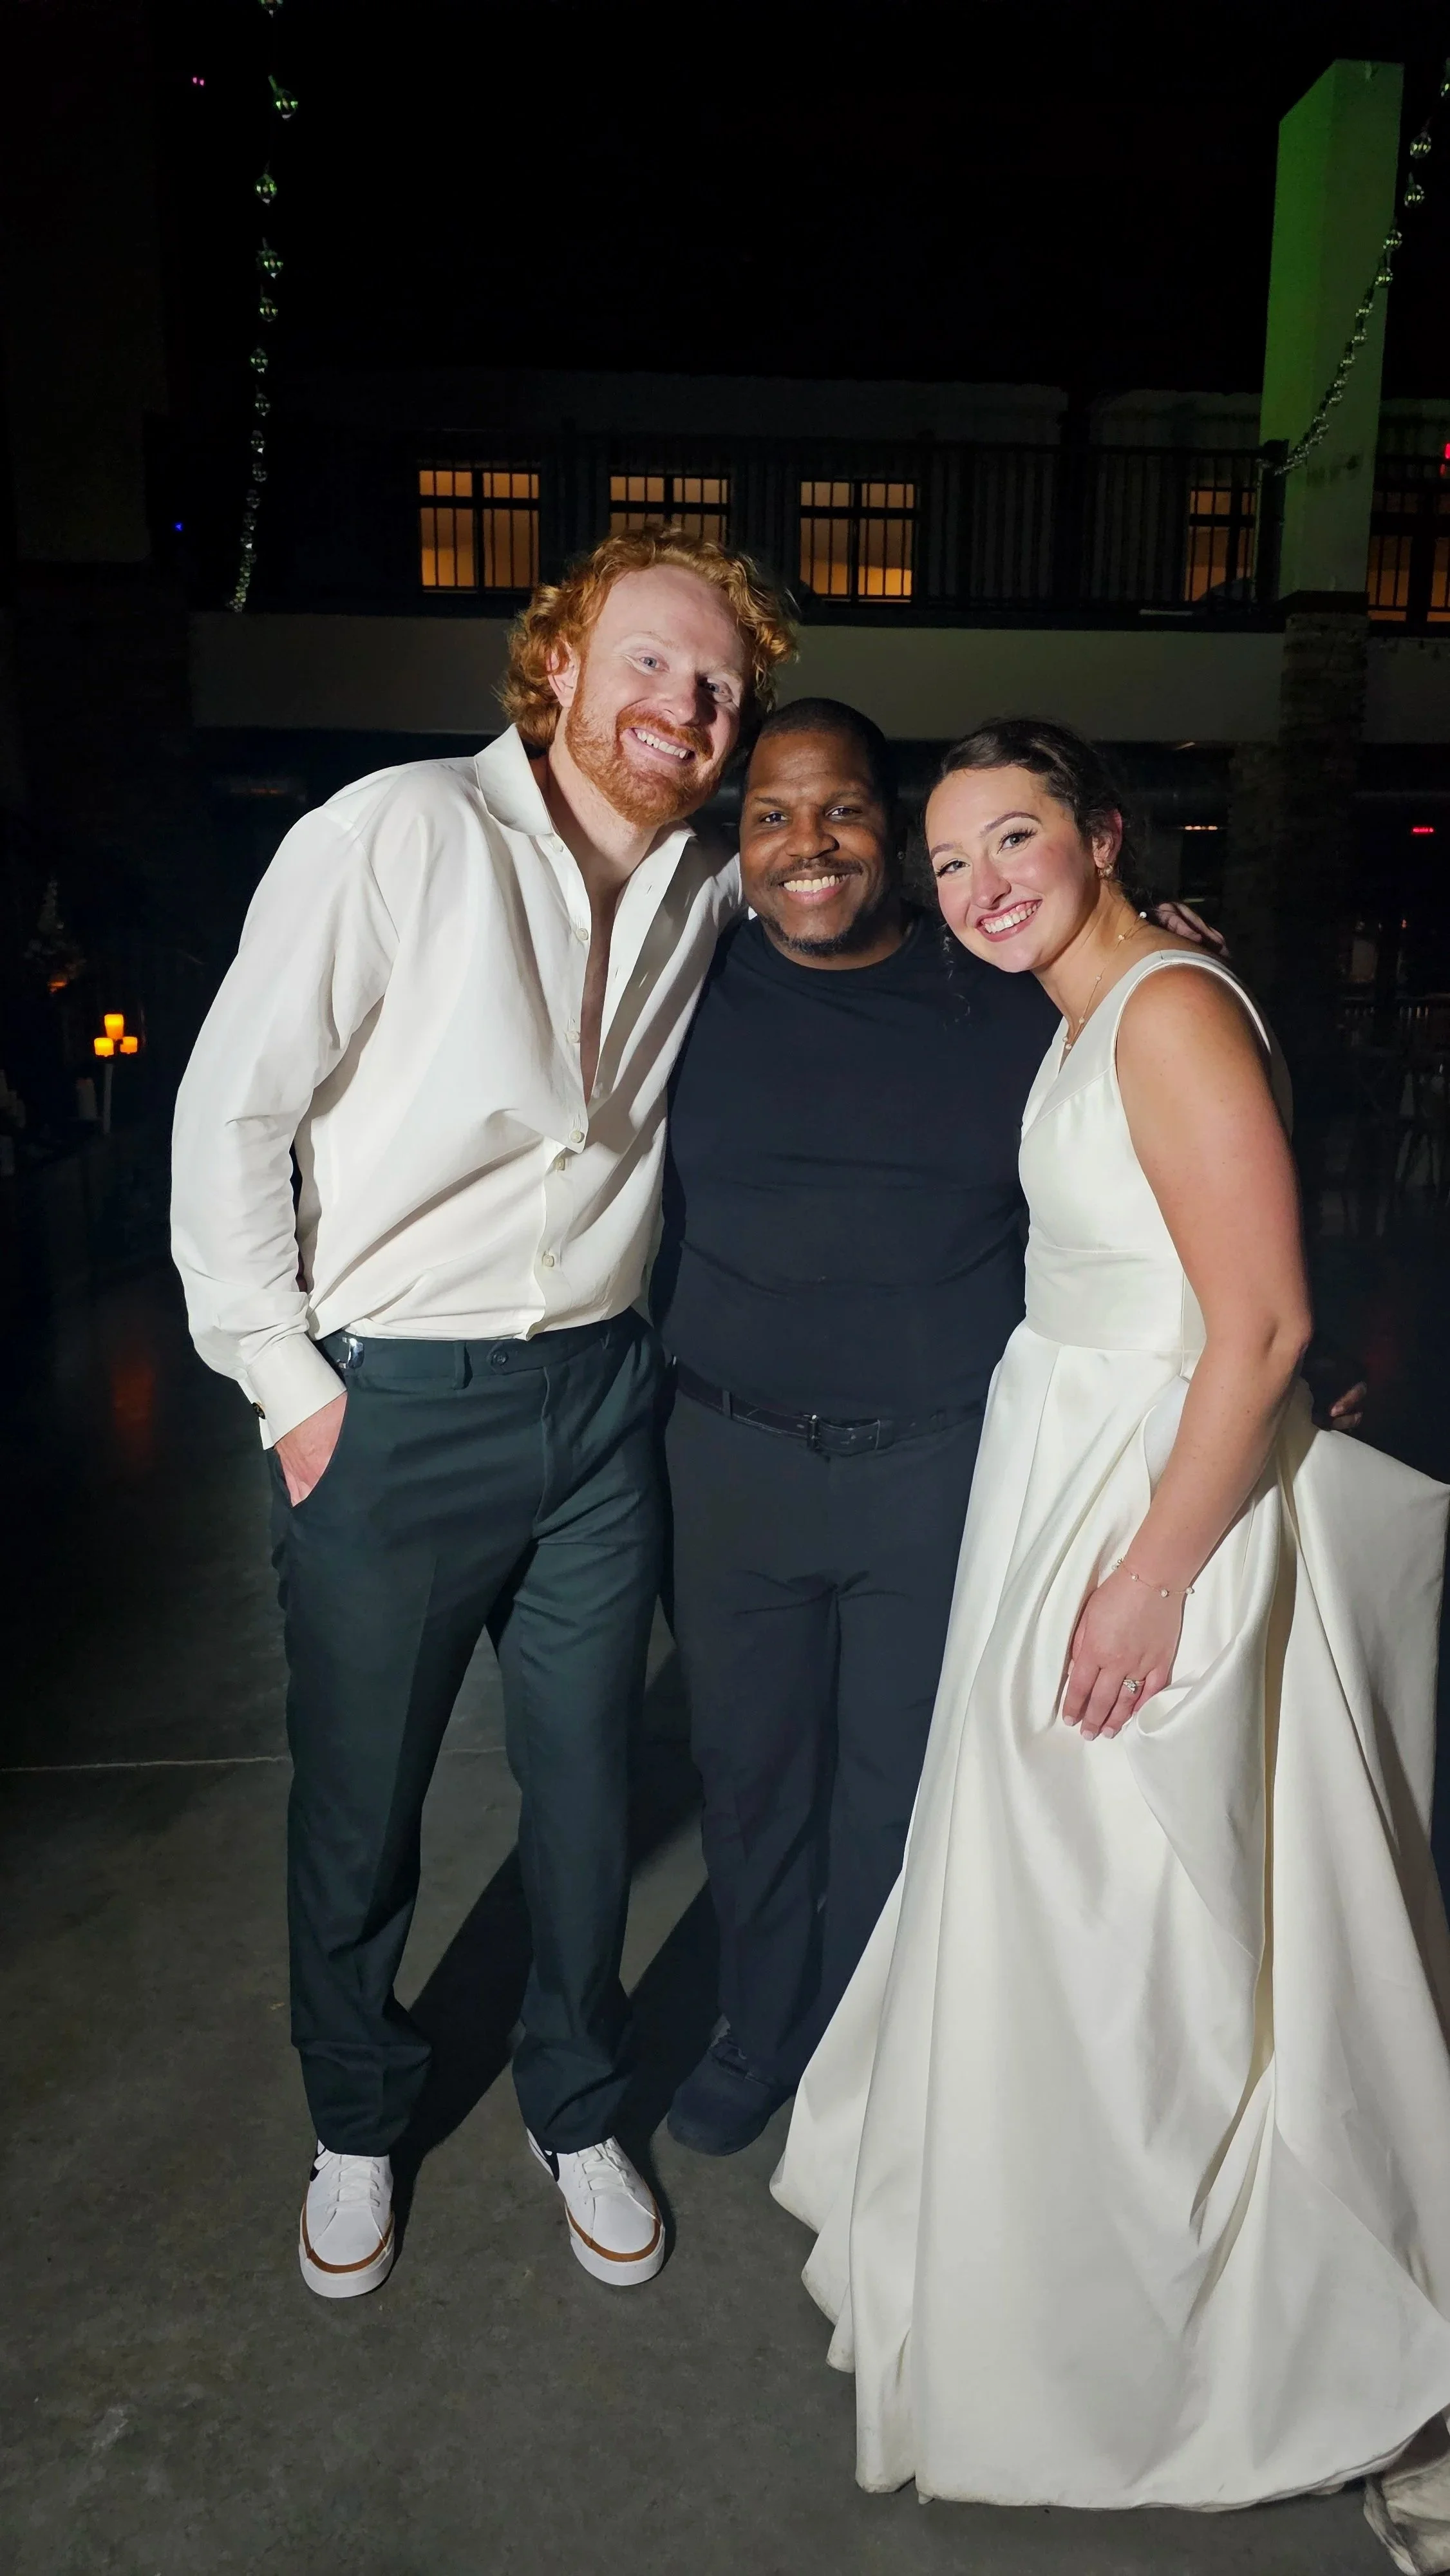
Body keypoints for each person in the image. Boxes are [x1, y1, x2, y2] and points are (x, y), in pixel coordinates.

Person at [772, 718, 1450, 2548]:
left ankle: (1217, 2319)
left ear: (1099, 834)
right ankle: (1063, 2269)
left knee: (1130, 1899)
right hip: (1068, 1462)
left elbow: (1259, 1327)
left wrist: (1151, 1574)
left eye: (1016, 841)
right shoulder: (1098, 1002)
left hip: (1153, 1492)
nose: (983, 887)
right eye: (954, 863)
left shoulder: (1160, 1007)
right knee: (1058, 1895)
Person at [171, 526, 793, 2299]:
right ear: (558, 670)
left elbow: (883, 912)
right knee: (358, 1808)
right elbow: (228, 1113)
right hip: (393, 1401)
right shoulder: (396, 833)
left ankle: (573, 2098)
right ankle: (359, 2122)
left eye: (717, 684)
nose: (683, 704)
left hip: (602, 1393)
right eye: (651, 663)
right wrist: (292, 1390)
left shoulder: (708, 883)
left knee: (590, 1789)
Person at [656, 701, 1263, 2158]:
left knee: (902, 1792)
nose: (812, 844)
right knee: (747, 1777)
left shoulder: (1006, 991)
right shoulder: (689, 982)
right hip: (727, 1455)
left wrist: (1181, 944)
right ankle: (757, 2028)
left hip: (941, 1463)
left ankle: (874, 2057)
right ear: (735, 847)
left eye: (847, 811)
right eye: (772, 816)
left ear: (890, 833)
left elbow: (1178, 1102)